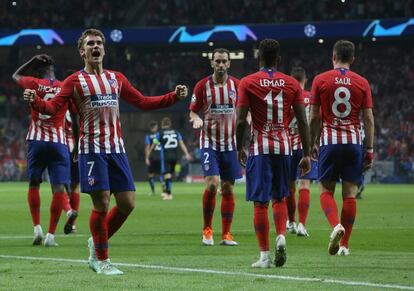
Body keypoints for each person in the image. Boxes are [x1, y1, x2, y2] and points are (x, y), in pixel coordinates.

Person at [24, 28, 188, 275]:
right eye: (90, 44)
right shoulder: (74, 81)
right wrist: (35, 101)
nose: (95, 46)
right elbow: (53, 107)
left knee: (127, 203)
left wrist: (172, 97)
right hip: (92, 150)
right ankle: (101, 260)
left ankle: (96, 241)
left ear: (104, 49)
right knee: (101, 202)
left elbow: (142, 102)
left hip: (117, 149)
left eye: (99, 43)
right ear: (82, 51)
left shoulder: (116, 78)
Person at [236, 39, 311, 268]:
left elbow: (240, 120)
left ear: (258, 58)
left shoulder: (248, 82)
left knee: (260, 203)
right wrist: (306, 154)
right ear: (278, 60)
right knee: (280, 197)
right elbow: (302, 121)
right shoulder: (291, 84)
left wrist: (240, 146)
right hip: (285, 147)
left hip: (260, 148)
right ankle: (281, 234)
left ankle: (265, 257)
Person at [309, 40, 375, 256]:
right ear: (352, 59)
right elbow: (368, 117)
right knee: (350, 195)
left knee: (326, 190)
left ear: (333, 57)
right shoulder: (362, 82)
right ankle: (345, 245)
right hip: (353, 142)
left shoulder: (320, 80)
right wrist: (370, 148)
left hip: (330, 141)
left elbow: (314, 117)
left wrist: (311, 143)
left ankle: (336, 225)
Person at [13, 54, 78, 247]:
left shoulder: (34, 83)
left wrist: (32, 60)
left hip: (36, 140)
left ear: (38, 71)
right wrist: (76, 145)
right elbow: (74, 118)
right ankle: (51, 235)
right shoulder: (64, 86)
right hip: (59, 142)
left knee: (34, 184)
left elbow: (16, 76)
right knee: (59, 189)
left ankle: (37, 229)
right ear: (53, 71)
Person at [189, 48, 242, 246]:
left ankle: (226, 234)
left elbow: (245, 110)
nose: (220, 65)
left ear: (229, 63)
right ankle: (207, 230)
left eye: (224, 61)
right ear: (212, 63)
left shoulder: (237, 85)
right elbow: (193, 112)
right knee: (212, 184)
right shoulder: (202, 85)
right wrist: (195, 120)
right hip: (209, 143)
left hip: (230, 144)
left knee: (227, 188)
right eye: (217, 61)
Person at [286, 67, 318, 237]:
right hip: (305, 147)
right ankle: (301, 225)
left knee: (289, 185)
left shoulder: (285, 96)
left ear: (291, 79)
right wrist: (315, 143)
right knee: (304, 185)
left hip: (287, 147)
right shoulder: (311, 98)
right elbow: (315, 121)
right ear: (305, 80)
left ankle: (290, 221)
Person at [149, 117, 191, 200]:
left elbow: (154, 143)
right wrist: (186, 153)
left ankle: (168, 194)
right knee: (170, 175)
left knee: (167, 174)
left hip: (166, 157)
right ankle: (166, 192)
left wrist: (150, 152)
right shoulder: (176, 132)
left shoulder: (160, 133)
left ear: (162, 124)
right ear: (170, 124)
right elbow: (181, 143)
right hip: (175, 157)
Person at [144, 120, 163, 196]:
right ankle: (164, 191)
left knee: (151, 174)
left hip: (152, 157)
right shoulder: (160, 134)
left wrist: (146, 158)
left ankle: (153, 191)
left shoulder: (148, 136)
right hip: (160, 156)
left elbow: (147, 147)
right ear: (155, 127)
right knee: (161, 174)